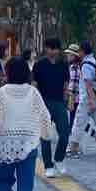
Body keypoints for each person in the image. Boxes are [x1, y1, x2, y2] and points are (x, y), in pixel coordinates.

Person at [0, 56, 54, 191]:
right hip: (28, 143)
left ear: (7, 72)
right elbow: (44, 116)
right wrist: (46, 135)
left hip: (5, 144)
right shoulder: (33, 93)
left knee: (4, 183)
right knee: (25, 187)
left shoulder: (1, 93)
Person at [31, 37, 71, 177]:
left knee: (65, 133)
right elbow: (34, 84)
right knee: (45, 136)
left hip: (59, 103)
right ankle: (48, 166)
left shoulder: (63, 64)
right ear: (46, 49)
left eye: (55, 49)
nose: (52, 51)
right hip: (44, 103)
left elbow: (66, 83)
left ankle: (59, 159)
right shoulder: (39, 65)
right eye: (50, 48)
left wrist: (67, 99)